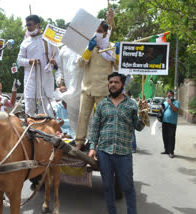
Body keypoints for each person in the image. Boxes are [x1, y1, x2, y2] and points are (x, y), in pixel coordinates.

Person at [88, 72, 149, 214]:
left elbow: (138, 127)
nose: (113, 85)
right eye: (110, 82)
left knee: (127, 187)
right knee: (108, 187)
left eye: (116, 82)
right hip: (104, 152)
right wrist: (92, 148)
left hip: (124, 153)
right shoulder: (102, 105)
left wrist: (144, 112)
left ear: (122, 85)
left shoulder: (132, 105)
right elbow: (95, 128)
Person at [75, 11, 119, 149]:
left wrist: (117, 53)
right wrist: (88, 49)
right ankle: (79, 143)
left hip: (103, 91)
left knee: (101, 121)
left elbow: (117, 66)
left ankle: (98, 145)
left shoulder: (110, 47)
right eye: (95, 30)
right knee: (82, 117)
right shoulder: (89, 45)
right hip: (87, 88)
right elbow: (80, 63)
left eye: (100, 31)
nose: (97, 33)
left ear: (106, 33)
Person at [17, 14, 59, 117]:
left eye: (30, 25)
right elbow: (19, 60)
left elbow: (57, 54)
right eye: (27, 25)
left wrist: (54, 61)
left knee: (46, 107)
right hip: (30, 78)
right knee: (29, 107)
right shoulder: (25, 42)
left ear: (38, 25)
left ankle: (45, 130)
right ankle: (30, 130)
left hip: (45, 78)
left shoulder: (48, 39)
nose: (29, 27)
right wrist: (29, 61)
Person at [161, 90, 180, 158]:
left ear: (173, 96)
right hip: (164, 122)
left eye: (170, 95)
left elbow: (175, 110)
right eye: (168, 95)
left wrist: (171, 103)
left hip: (172, 123)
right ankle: (166, 150)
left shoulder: (176, 102)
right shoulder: (165, 102)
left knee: (171, 137)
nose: (169, 96)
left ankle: (171, 152)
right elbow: (162, 111)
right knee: (165, 136)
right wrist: (160, 109)